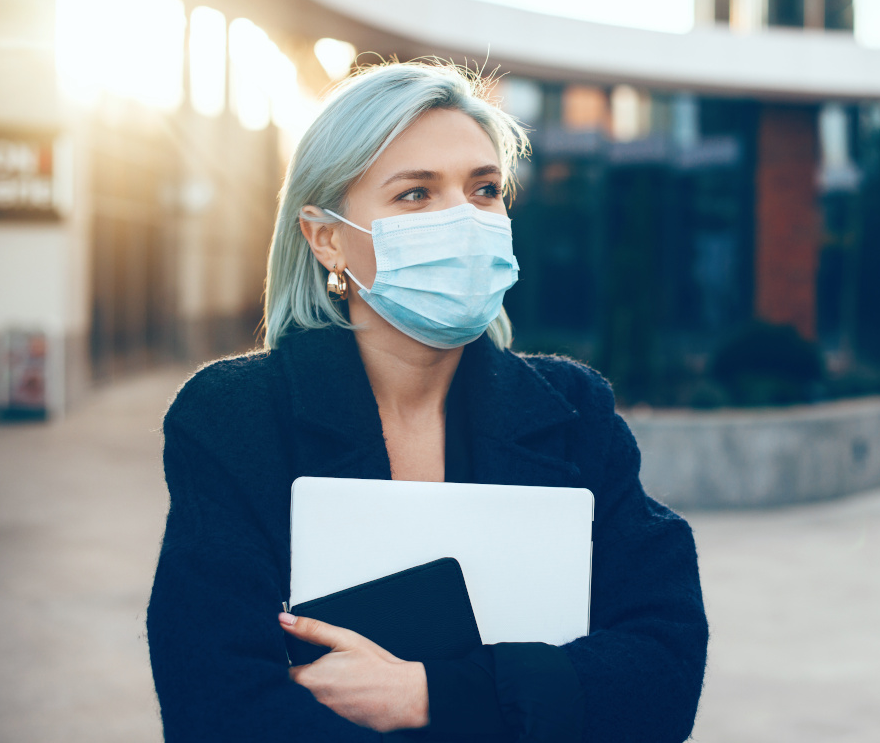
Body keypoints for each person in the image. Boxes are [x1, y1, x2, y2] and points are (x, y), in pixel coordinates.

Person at [147, 61, 708, 742]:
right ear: (325, 237)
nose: (464, 220)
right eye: (415, 194)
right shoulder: (234, 420)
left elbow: (663, 670)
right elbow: (217, 707)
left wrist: (429, 693)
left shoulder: (575, 412)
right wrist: (533, 702)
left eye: (484, 189)